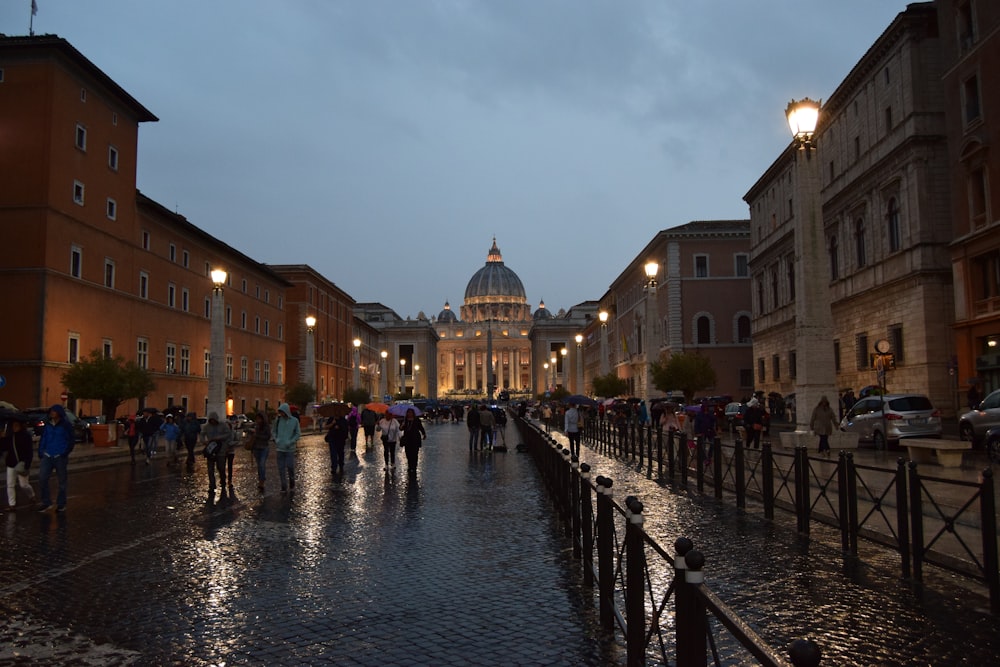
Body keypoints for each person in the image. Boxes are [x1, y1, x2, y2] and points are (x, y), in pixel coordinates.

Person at [36, 404, 74, 512]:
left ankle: (61, 503)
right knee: (42, 478)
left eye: (54, 411)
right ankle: (46, 502)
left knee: (62, 481)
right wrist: (41, 451)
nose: (52, 413)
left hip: (60, 456)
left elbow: (71, 440)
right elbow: (44, 438)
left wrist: (64, 452)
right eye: (51, 411)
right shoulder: (47, 425)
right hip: (47, 455)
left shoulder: (66, 425)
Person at [2, 414, 35, 510]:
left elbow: (29, 452)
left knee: (24, 485)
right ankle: (12, 504)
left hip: (22, 463)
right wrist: (2, 438)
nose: (14, 427)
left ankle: (31, 495)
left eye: (16, 425)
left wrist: (27, 464)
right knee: (10, 484)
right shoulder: (9, 436)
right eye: (13, 425)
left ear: (20, 425)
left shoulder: (26, 436)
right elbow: (3, 448)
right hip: (11, 463)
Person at [201, 412, 232, 497]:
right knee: (210, 469)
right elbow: (202, 434)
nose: (213, 422)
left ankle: (223, 480)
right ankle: (212, 484)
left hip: (221, 449)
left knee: (221, 467)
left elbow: (228, 434)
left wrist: (219, 438)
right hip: (211, 450)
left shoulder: (223, 425)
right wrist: (204, 441)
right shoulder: (206, 427)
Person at [273, 403, 301, 493]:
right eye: (280, 412)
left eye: (282, 412)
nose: (281, 414)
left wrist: (291, 441)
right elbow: (274, 431)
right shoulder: (278, 420)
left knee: (290, 466)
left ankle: (292, 481)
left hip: (289, 449)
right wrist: (276, 439)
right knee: (281, 468)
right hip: (280, 448)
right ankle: (283, 486)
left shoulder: (294, 421)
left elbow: (298, 433)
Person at [399, 408, 426, 474]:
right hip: (407, 440)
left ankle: (414, 467)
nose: (409, 414)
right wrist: (402, 425)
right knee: (408, 453)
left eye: (411, 412)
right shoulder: (405, 420)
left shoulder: (416, 420)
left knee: (415, 454)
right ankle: (410, 465)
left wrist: (424, 434)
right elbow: (400, 429)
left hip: (415, 439)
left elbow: (421, 428)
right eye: (408, 412)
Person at [250, 412, 271, 491]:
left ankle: (262, 481)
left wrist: (257, 435)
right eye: (257, 419)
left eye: (259, 418)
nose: (258, 420)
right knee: (259, 465)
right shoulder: (256, 426)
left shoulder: (266, 427)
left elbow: (268, 437)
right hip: (256, 448)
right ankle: (260, 480)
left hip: (264, 448)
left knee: (262, 464)